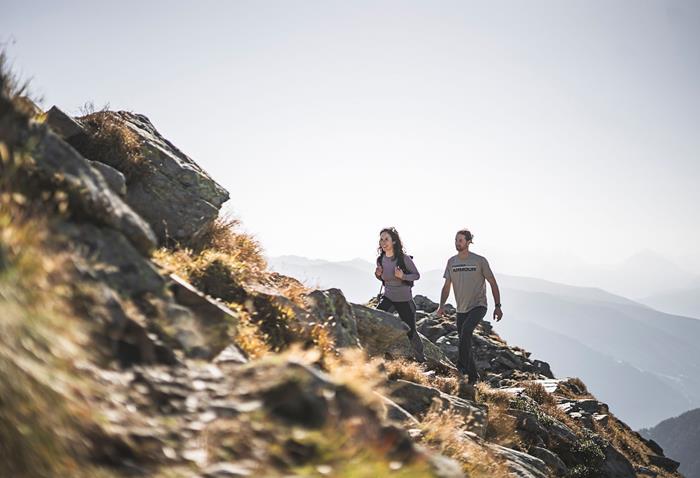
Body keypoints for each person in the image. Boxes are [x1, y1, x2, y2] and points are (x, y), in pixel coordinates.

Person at [436, 229, 502, 384]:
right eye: (456, 240)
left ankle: (461, 366)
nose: (457, 243)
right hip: (461, 309)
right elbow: (447, 285)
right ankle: (473, 378)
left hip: (478, 305)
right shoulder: (452, 261)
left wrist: (498, 306)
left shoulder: (479, 261)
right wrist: (441, 305)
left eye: (460, 240)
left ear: (468, 242)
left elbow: (492, 282)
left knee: (466, 332)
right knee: (464, 339)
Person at [374, 227, 426, 362]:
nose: (383, 242)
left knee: (410, 331)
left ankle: (421, 360)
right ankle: (377, 355)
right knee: (377, 320)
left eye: (386, 239)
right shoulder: (380, 259)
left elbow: (416, 276)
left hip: (404, 300)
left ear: (394, 242)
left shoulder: (404, 259)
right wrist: (378, 275)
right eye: (381, 239)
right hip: (388, 297)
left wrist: (403, 276)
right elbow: (385, 279)